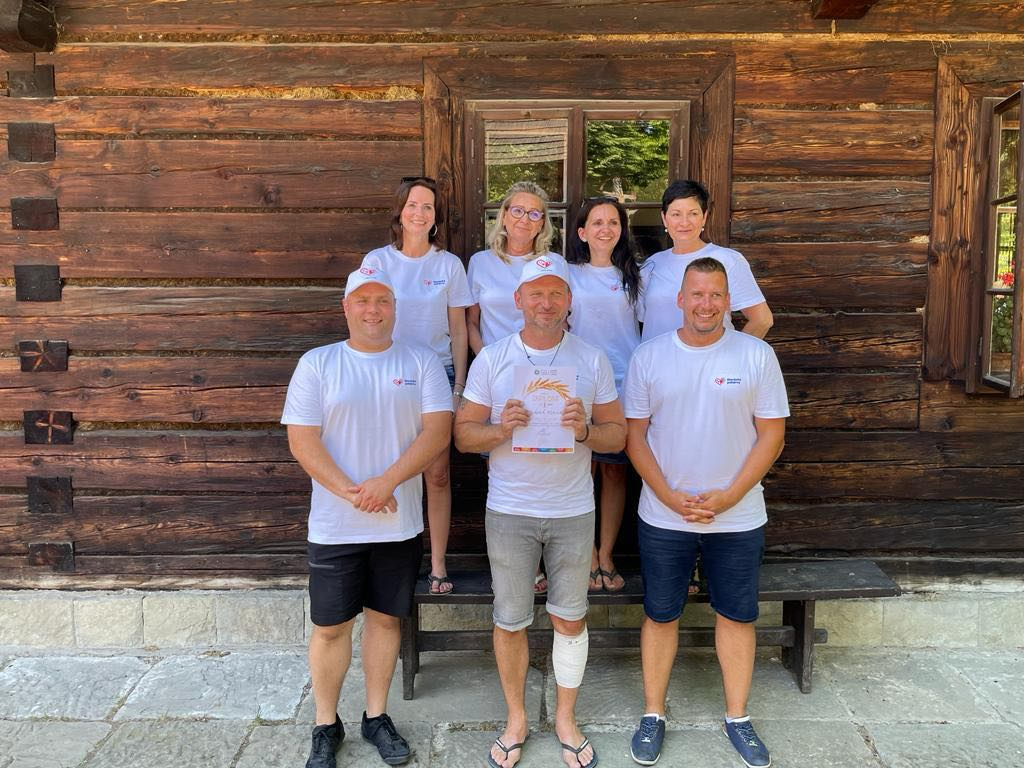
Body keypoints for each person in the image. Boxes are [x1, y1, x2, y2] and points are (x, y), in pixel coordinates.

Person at [455, 255, 626, 768]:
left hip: (573, 510)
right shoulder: (493, 359)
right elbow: (463, 436)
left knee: (570, 620)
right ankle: (517, 720)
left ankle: (566, 719)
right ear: (518, 300)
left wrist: (585, 431)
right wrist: (500, 429)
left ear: (569, 301)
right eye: (536, 293)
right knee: (510, 620)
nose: (546, 303)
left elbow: (618, 435)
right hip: (510, 509)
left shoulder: (591, 359)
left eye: (556, 293)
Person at [282, 266, 453, 768]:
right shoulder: (318, 364)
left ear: (395, 308)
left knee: (384, 620)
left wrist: (387, 483)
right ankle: (325, 724)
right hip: (335, 526)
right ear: (346, 307)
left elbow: (436, 431)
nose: (372, 310)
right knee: (331, 627)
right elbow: (302, 440)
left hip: (399, 524)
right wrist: (355, 493)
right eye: (362, 300)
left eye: (382, 301)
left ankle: (376, 716)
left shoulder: (420, 361)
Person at [623, 257, 789, 768]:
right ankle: (653, 714)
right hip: (664, 514)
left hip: (737, 516)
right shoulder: (650, 357)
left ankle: (738, 717)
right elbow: (634, 438)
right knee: (660, 614)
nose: (706, 304)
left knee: (737, 615)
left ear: (729, 301)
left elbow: (772, 436)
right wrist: (668, 496)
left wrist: (732, 495)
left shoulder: (756, 355)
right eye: (697, 294)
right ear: (680, 299)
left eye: (716, 294)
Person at [362, 176, 472, 595]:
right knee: (390, 468)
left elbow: (459, 330)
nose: (419, 213)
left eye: (427, 206)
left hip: (437, 377)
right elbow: (364, 316)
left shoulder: (449, 265)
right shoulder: (378, 261)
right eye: (412, 205)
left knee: (437, 474)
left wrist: (459, 386)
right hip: (386, 375)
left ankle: (438, 563)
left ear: (435, 216)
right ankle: (388, 562)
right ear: (400, 211)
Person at [466, 180, 567, 595]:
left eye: (535, 212)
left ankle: (545, 560)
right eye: (518, 210)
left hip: (544, 371)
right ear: (504, 215)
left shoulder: (552, 262)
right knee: (501, 459)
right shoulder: (480, 262)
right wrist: (489, 361)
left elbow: (561, 316)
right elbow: (471, 322)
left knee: (544, 456)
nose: (526, 218)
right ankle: (513, 562)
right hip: (496, 372)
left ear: (543, 222)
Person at [565, 196, 642, 593]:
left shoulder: (635, 276)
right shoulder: (567, 273)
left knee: (615, 471)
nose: (606, 229)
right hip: (579, 382)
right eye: (597, 222)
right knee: (582, 470)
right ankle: (587, 555)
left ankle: (607, 553)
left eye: (613, 222)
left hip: (624, 383)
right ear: (582, 232)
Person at [639, 179, 773, 342]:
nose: (684, 222)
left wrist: (734, 354)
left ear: (704, 217)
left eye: (693, 213)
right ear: (664, 218)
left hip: (711, 358)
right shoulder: (652, 265)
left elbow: (762, 320)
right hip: (657, 357)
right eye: (676, 214)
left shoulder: (728, 260)